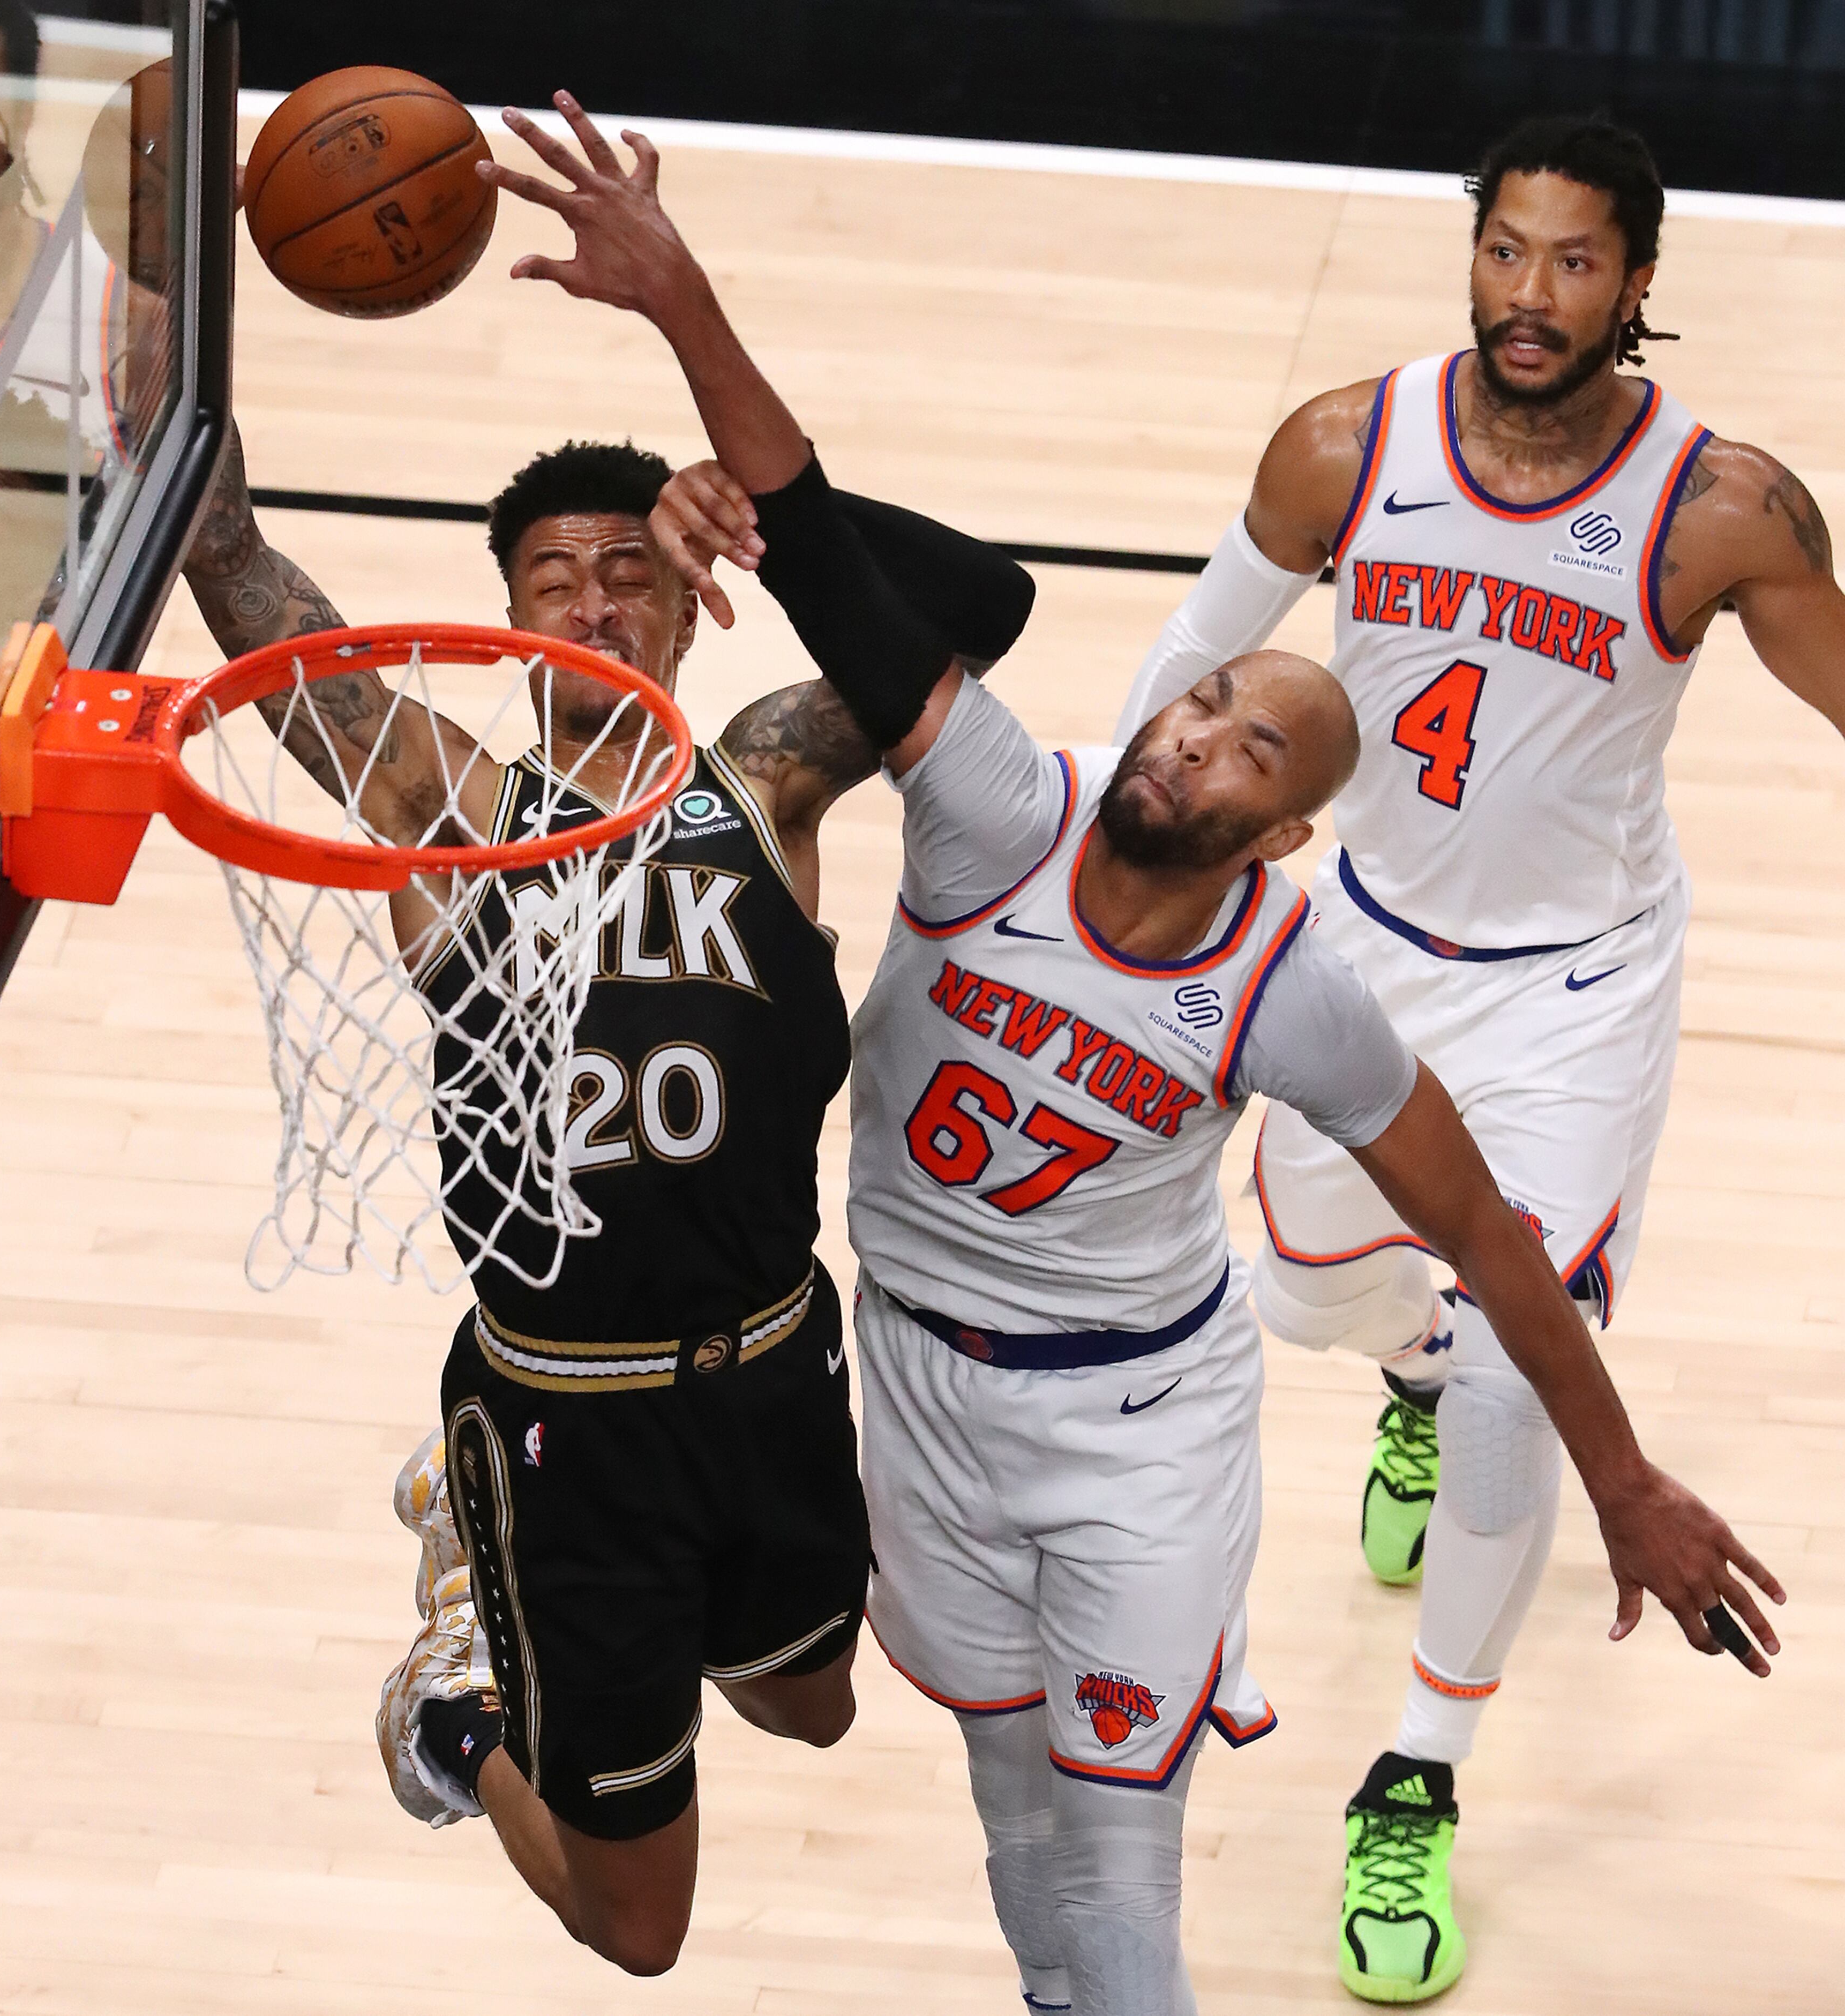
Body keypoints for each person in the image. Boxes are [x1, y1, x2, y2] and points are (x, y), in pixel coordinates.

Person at [481, 94, 1784, 2016]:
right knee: (1019, 1837)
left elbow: (1494, 1238)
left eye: (1250, 748)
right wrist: (682, 303)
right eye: (1202, 703)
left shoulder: (1291, 983)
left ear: (1284, 838)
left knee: (1116, 1866)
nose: (1194, 737)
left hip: (1139, 1430)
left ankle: (1363, 1794)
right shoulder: (998, 808)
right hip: (919, 1390)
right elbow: (831, 550)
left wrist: (1626, 1477)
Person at [1111, 113, 1842, 1999]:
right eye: (1506, 249)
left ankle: (1417, 1772)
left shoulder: (1722, 509)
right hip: (1359, 946)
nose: (1531, 294)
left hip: (1576, 992)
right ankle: (1415, 1372)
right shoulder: (1343, 447)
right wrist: (1100, 889)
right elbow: (1185, 663)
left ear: (1639, 281)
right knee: (1305, 1295)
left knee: (1534, 1356)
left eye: (1575, 261)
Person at [179, 403, 1033, 1974]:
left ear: (690, 607)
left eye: (634, 574)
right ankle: (455, 1708)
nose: (594, 604)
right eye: (555, 581)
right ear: (509, 625)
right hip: (568, 1414)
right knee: (641, 1932)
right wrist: (165, 369)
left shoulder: (764, 779)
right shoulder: (451, 808)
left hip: (768, 1362)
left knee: (814, 1709)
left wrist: (767, 517)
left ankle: (540, 1614)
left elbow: (985, 600)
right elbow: (234, 568)